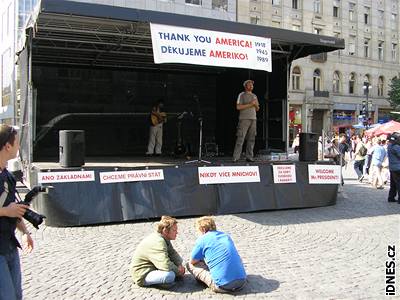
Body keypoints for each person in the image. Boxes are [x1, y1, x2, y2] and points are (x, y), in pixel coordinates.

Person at [0, 124, 34, 300]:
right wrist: (5, 211)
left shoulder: (8, 176)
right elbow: (9, 209)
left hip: (10, 246)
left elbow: (14, 209)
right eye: (17, 143)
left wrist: (25, 232)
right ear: (7, 146)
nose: (19, 147)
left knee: (16, 296)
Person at [186, 216, 247, 293]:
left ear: (203, 230)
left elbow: (192, 261)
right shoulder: (226, 236)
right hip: (242, 282)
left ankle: (205, 279)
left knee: (189, 265)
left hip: (223, 286)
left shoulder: (202, 239)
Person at [130, 216, 185, 288]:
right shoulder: (159, 241)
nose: (177, 232)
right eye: (174, 230)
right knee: (170, 275)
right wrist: (178, 271)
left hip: (153, 268)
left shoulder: (164, 237)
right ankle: (159, 283)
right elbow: (165, 265)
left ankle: (162, 281)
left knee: (173, 272)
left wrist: (179, 264)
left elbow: (172, 253)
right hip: (143, 274)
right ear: (165, 231)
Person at [232, 80, 259, 162]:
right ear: (245, 86)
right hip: (244, 119)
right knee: (241, 138)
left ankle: (249, 157)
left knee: (251, 139)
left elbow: (257, 108)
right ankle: (236, 157)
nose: (251, 86)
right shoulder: (242, 95)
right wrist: (251, 104)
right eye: (249, 84)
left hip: (253, 119)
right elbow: (238, 107)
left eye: (252, 85)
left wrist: (255, 105)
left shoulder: (254, 96)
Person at [387, 134, 400, 203]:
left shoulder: (389, 146)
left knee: (393, 184)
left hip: (392, 168)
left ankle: (391, 197)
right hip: (398, 168)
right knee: (398, 183)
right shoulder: (396, 147)